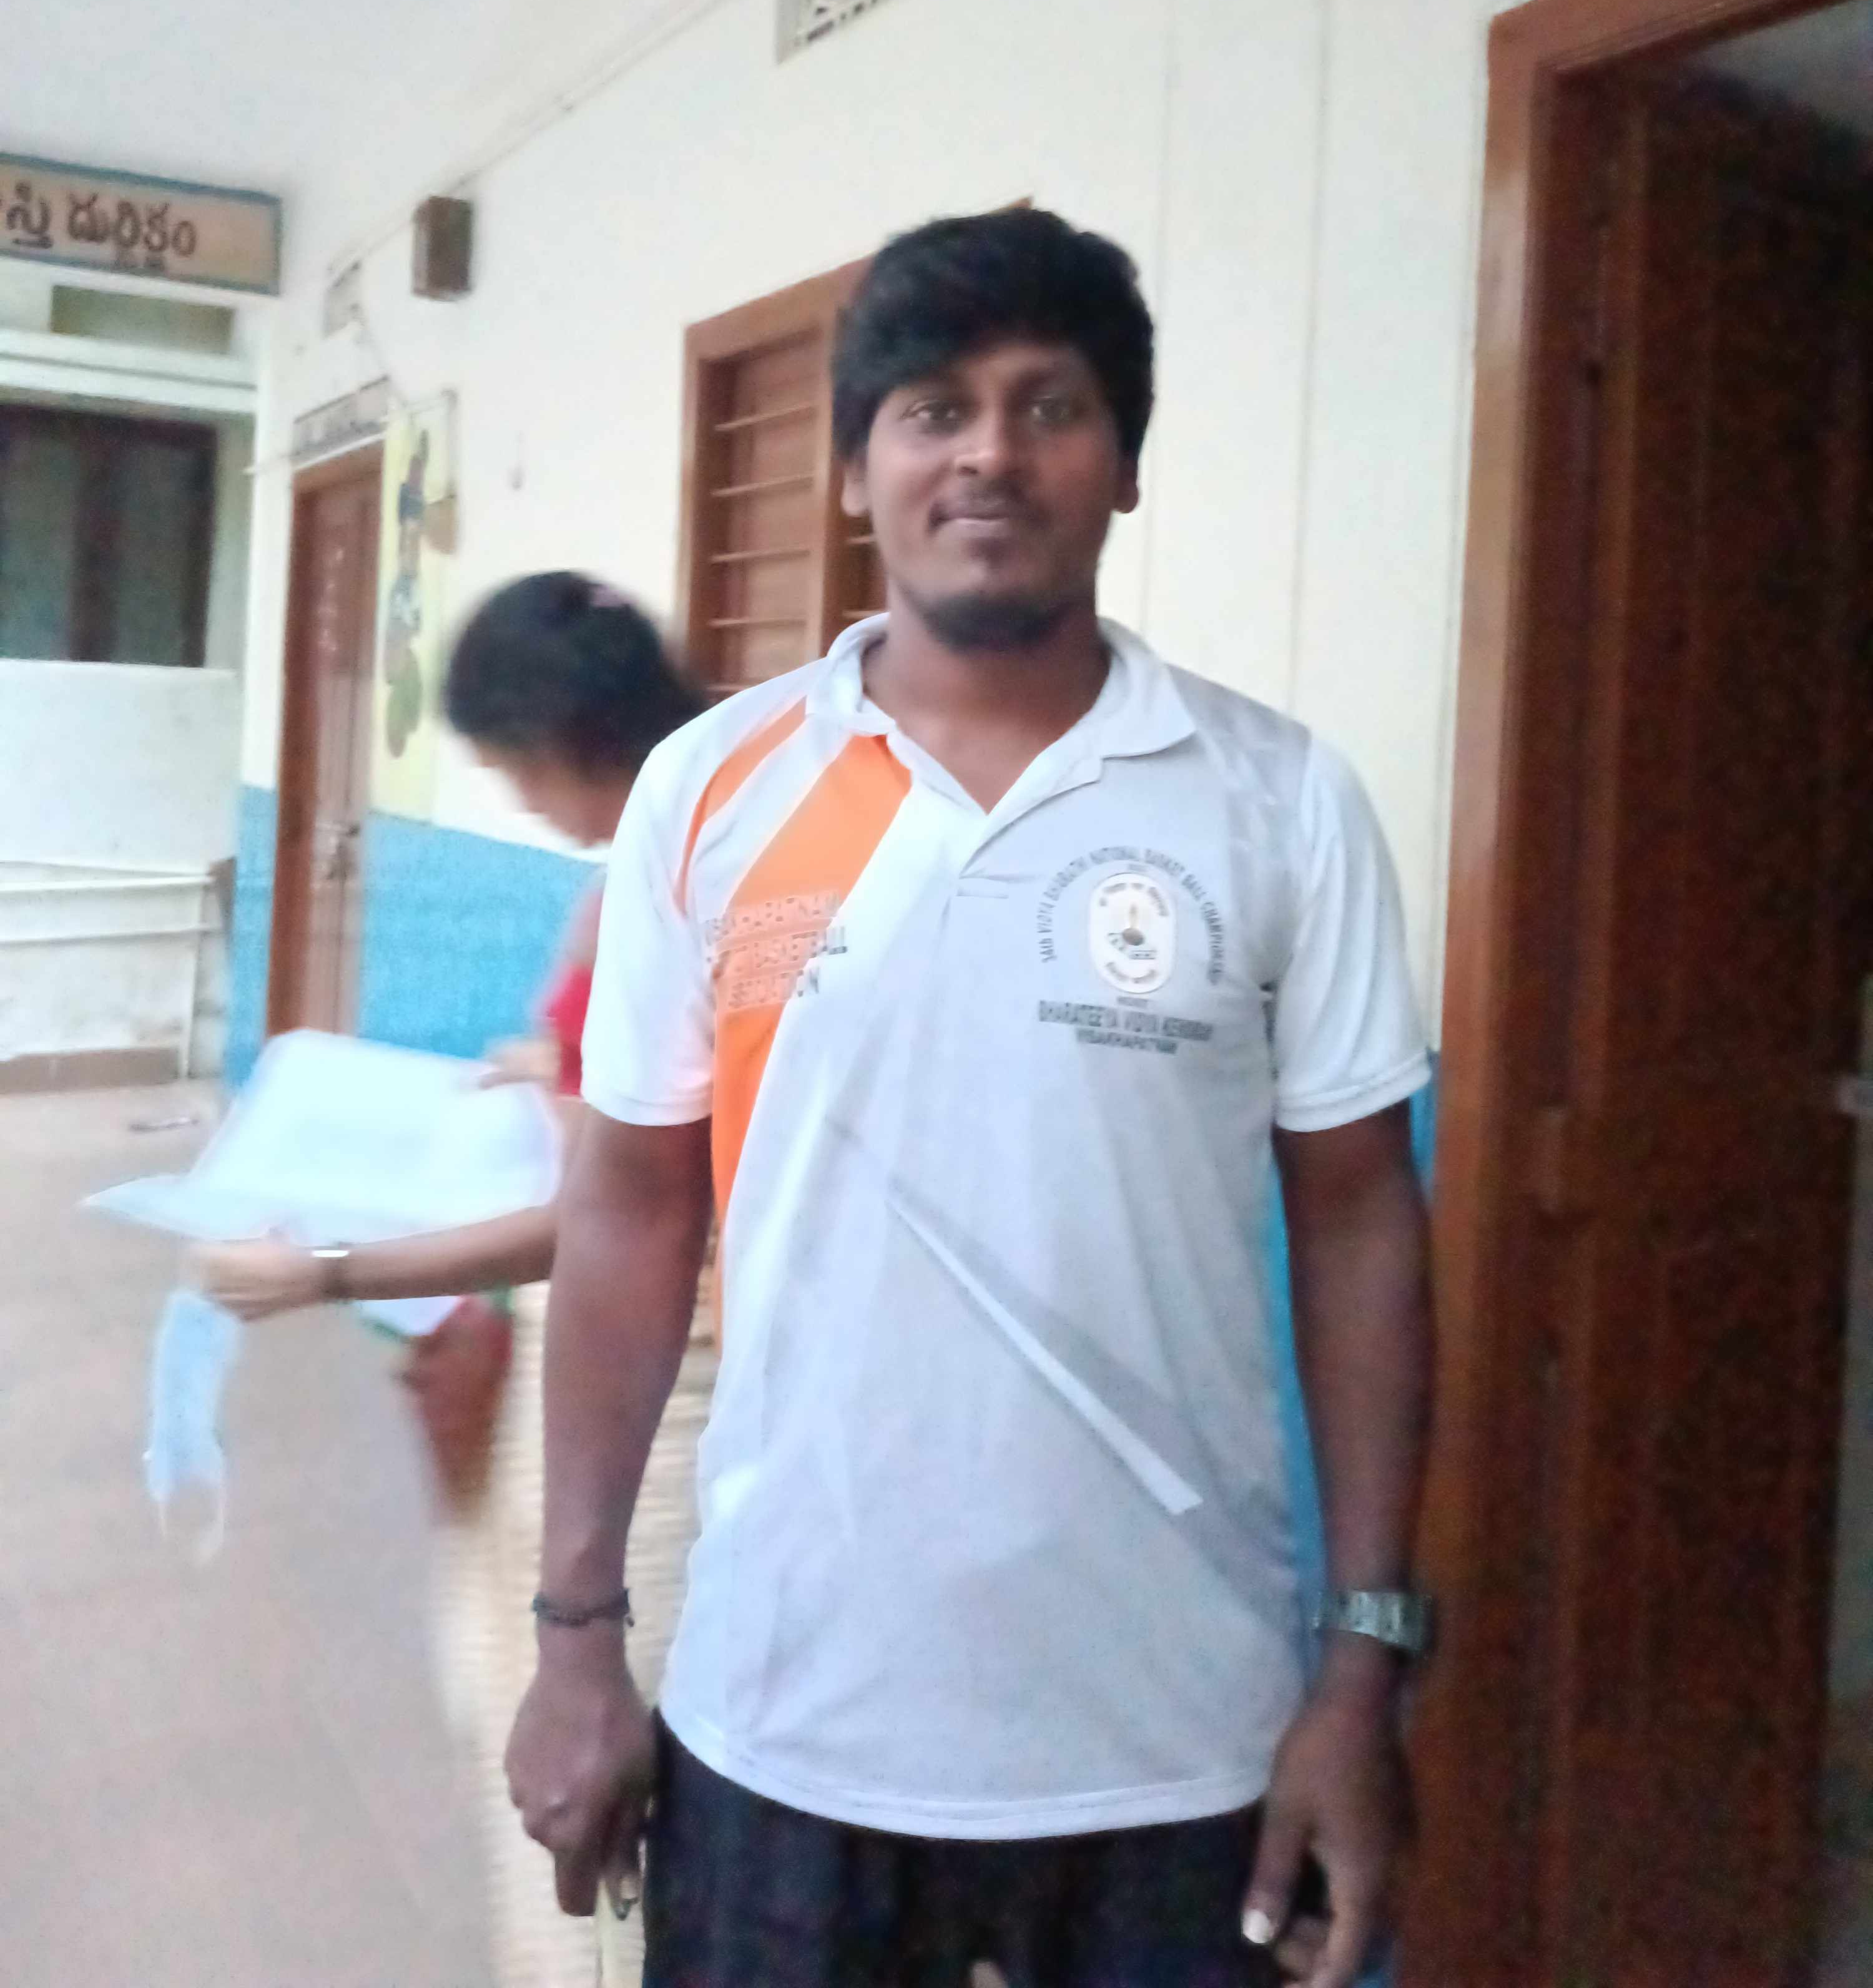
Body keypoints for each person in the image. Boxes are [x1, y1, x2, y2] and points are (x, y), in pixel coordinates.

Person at [504, 209, 1436, 1988]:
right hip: (787, 1721)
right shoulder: (717, 788)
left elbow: (1361, 1219)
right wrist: (574, 1634)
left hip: (1185, 1738)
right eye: (934, 408)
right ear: (857, 467)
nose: (991, 452)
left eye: (1050, 404)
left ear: (1126, 465)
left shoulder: (1276, 799)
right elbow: (629, 1205)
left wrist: (1363, 1663)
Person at [198, 573, 707, 1988]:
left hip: (664, 1374)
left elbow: (609, 1217)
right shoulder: (658, 855)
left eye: (507, 766)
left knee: (587, 1731)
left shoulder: (680, 872)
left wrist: (334, 1269)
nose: (516, 798)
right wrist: (549, 1066)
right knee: (510, 1666)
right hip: (607, 1336)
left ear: (560, 739)